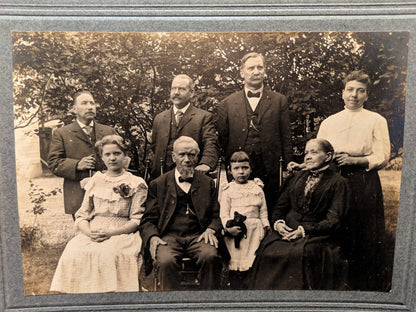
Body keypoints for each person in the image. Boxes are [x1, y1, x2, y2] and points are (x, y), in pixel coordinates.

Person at [316, 70, 391, 291]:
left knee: (364, 231)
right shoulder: (330, 122)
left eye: (360, 91)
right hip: (334, 178)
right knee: (335, 225)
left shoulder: (376, 120)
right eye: (350, 90)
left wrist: (355, 160)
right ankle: (333, 279)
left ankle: (363, 282)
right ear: (342, 93)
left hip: (364, 180)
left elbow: (383, 155)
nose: (354, 95)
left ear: (367, 95)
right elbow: (319, 151)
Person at [50, 135, 147, 293]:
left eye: (117, 153)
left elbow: (136, 220)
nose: (112, 158)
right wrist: (88, 232)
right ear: (102, 157)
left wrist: (111, 232)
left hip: (121, 231)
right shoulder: (95, 180)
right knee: (73, 249)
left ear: (125, 156)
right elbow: (82, 215)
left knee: (107, 253)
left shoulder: (136, 183)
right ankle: (83, 295)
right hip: (93, 230)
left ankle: (111, 296)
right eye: (107, 154)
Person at [249, 139, 349, 290]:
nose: (307, 156)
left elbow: (333, 220)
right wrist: (279, 223)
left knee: (301, 255)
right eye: (306, 153)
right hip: (288, 229)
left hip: (317, 234)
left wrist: (303, 231)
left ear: (328, 156)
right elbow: (279, 207)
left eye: (314, 152)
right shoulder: (296, 178)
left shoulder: (339, 182)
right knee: (268, 252)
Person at [139, 136, 227, 291]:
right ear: (174, 157)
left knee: (210, 256)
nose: (187, 159)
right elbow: (148, 220)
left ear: (197, 157)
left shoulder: (207, 183)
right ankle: (171, 304)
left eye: (191, 155)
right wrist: (153, 237)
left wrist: (211, 229)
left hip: (198, 236)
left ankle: (209, 303)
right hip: (168, 237)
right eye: (182, 155)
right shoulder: (158, 184)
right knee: (165, 261)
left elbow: (216, 215)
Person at [217, 52, 293, 212]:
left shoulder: (279, 100)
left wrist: (287, 165)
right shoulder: (227, 103)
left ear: (265, 71)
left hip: (270, 167)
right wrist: (230, 165)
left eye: (260, 67)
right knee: (239, 208)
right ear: (242, 72)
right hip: (239, 166)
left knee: (270, 208)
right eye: (251, 68)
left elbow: (286, 136)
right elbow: (223, 138)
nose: (256, 71)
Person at [48, 91, 116, 217]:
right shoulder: (62, 133)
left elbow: (120, 158)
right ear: (74, 109)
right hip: (79, 195)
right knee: (84, 234)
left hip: (107, 193)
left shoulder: (108, 131)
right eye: (84, 103)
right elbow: (53, 163)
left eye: (92, 103)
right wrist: (77, 165)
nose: (90, 106)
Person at [150, 74, 219, 180]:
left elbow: (211, 144)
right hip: (161, 177)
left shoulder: (203, 117)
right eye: (173, 88)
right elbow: (155, 147)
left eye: (181, 89)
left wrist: (205, 164)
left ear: (191, 93)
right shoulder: (159, 118)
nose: (176, 92)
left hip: (192, 176)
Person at [220, 151, 270, 290]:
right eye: (236, 168)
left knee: (252, 260)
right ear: (230, 171)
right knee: (236, 262)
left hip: (254, 231)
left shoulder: (257, 188)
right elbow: (223, 213)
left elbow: (263, 211)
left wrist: (265, 227)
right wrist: (228, 228)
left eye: (244, 168)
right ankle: (235, 287)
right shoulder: (228, 190)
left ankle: (251, 287)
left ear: (251, 169)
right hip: (236, 231)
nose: (241, 172)